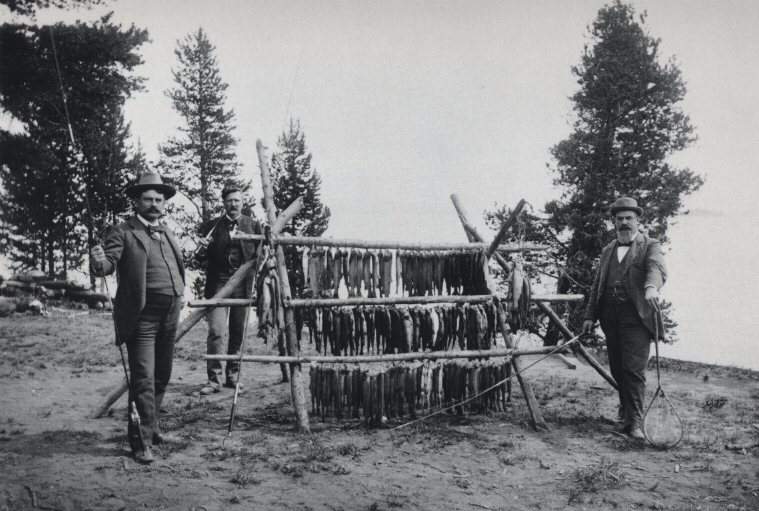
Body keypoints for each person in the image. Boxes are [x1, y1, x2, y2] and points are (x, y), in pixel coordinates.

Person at [90, 171, 184, 464]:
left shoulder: (168, 231)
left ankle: (153, 428)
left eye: (159, 199)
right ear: (137, 201)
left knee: (162, 375)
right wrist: (99, 262)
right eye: (148, 199)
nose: (154, 204)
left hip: (171, 312)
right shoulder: (123, 231)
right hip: (141, 317)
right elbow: (107, 265)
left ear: (164, 203)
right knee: (143, 378)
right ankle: (140, 442)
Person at [583, 197, 667, 440]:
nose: (624, 223)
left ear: (638, 220)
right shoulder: (608, 250)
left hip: (636, 319)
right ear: (613, 222)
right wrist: (590, 316)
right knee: (619, 370)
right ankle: (625, 414)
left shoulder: (650, 245)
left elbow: (657, 268)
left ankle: (636, 424)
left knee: (634, 371)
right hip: (610, 318)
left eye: (629, 218)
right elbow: (598, 285)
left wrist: (651, 287)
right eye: (619, 219)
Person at [195, 181, 261, 395]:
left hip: (243, 285)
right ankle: (213, 380)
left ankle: (234, 377)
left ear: (243, 203)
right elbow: (198, 257)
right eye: (229, 200)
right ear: (223, 203)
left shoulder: (253, 225)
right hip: (218, 284)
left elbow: (262, 256)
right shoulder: (212, 226)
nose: (233, 204)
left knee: (237, 333)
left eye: (237, 200)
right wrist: (202, 249)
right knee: (216, 331)